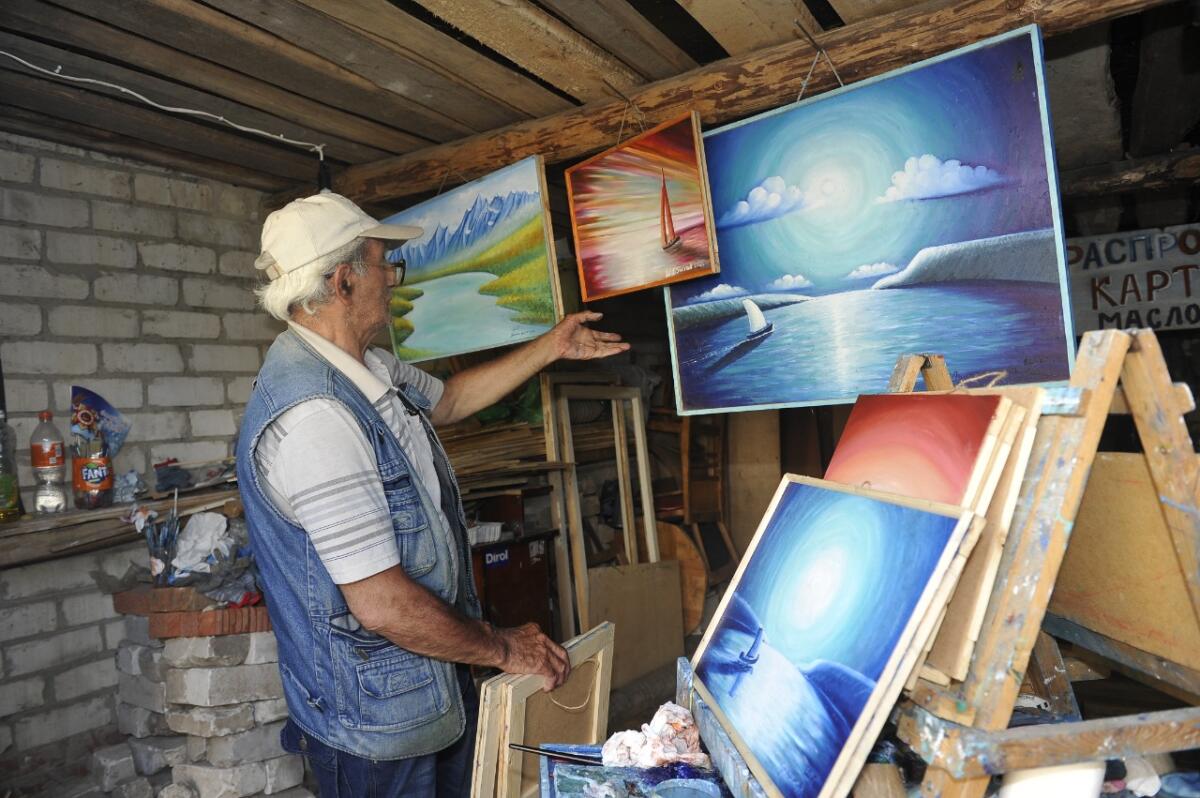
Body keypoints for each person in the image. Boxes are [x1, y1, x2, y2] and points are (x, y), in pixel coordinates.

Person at [235, 191, 629, 797]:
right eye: (385, 266)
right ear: (343, 281)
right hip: (377, 724)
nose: (394, 282)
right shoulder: (317, 418)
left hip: (425, 685)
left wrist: (552, 346)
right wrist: (501, 648)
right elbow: (383, 605)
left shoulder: (367, 368)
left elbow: (450, 400)